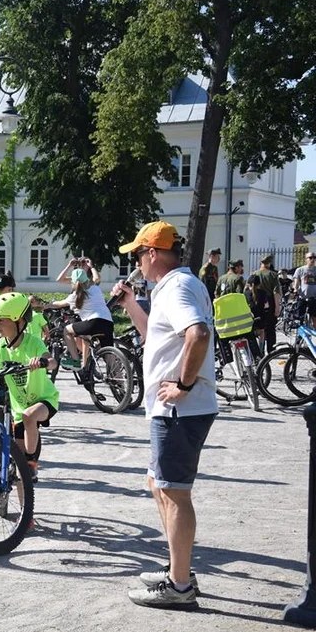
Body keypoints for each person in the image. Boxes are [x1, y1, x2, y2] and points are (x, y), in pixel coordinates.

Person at [114, 220, 217, 609]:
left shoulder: (177, 288)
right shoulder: (171, 287)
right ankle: (179, 568)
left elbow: (199, 333)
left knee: (173, 492)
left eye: (138, 255)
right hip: (172, 409)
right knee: (158, 484)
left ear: (153, 253)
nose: (137, 262)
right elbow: (155, 337)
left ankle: (179, 585)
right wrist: (129, 305)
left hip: (180, 409)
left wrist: (183, 385)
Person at [0, 293, 59, 478]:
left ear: (19, 321)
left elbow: (52, 362)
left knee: (29, 416)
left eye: (1, 321)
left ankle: (32, 461)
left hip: (44, 400)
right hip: (18, 409)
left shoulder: (33, 342)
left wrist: (42, 361)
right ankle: (25, 505)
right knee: (18, 470)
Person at [46, 259, 113, 378]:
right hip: (108, 322)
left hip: (93, 322)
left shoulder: (75, 295)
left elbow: (58, 304)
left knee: (67, 330)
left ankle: (76, 361)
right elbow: (96, 279)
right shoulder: (95, 288)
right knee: (109, 355)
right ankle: (120, 383)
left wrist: (44, 306)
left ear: (73, 281)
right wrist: (91, 266)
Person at [254, 254, 281, 348]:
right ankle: (271, 351)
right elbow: (276, 292)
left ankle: (259, 350)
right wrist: (277, 308)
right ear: (270, 262)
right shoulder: (272, 275)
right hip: (270, 302)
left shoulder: (254, 274)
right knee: (270, 329)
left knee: (259, 328)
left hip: (257, 302)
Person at [293, 251, 316, 327]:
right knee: (299, 318)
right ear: (306, 259)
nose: (312, 259)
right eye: (310, 258)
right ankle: (299, 336)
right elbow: (296, 282)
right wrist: (295, 289)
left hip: (314, 298)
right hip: (302, 297)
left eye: (314, 258)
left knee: (314, 319)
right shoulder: (300, 270)